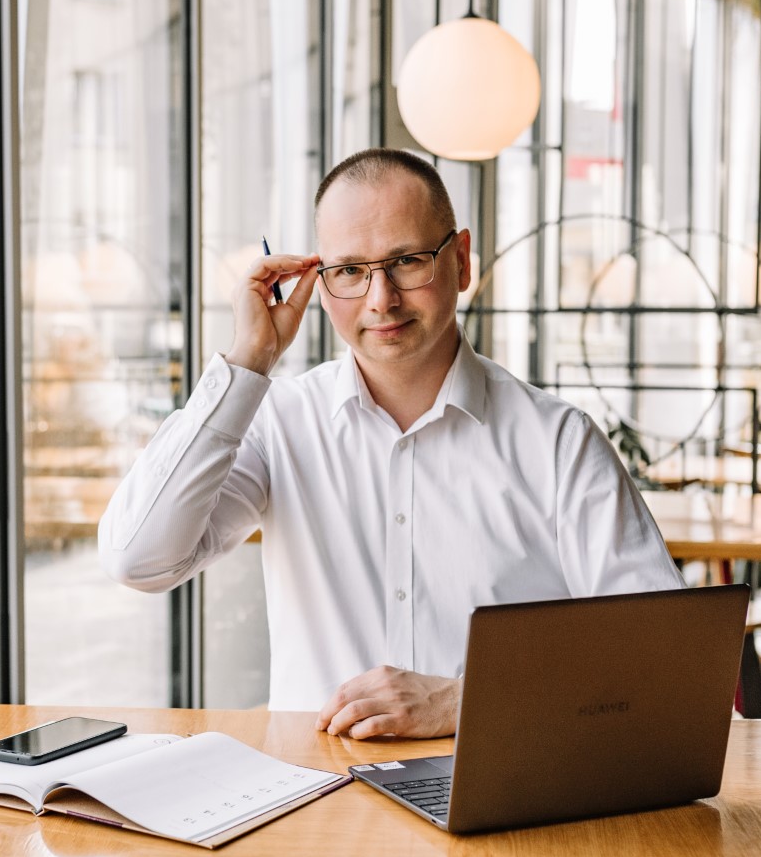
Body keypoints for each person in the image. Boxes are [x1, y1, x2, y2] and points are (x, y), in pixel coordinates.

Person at [99, 148, 681, 739]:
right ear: (319, 283)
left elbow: (662, 654)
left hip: (494, 784)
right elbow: (137, 559)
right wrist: (250, 358)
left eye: (406, 261)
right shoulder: (279, 422)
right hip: (315, 785)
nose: (381, 300)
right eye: (350, 271)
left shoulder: (559, 442)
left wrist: (466, 700)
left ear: (461, 261)